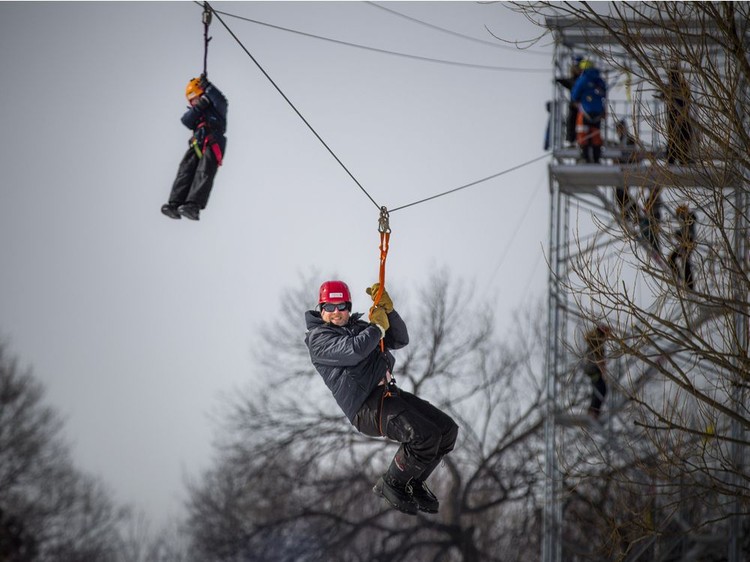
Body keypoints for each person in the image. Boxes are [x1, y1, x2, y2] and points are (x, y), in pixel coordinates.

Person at [304, 280, 459, 515]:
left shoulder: (358, 328)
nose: (337, 313)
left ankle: (413, 481)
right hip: (366, 407)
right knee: (424, 436)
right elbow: (355, 350)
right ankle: (392, 482)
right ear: (321, 309)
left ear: (348, 306)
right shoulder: (319, 339)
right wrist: (376, 327)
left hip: (387, 394)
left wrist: (389, 313)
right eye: (330, 307)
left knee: (446, 430)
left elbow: (399, 340)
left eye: (342, 306)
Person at [161, 75, 228, 221]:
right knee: (185, 170)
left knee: (204, 172)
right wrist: (199, 107)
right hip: (197, 143)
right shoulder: (195, 113)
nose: (193, 102)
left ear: (203, 95)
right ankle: (175, 203)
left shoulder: (217, 110)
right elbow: (186, 121)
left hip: (213, 141)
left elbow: (221, 100)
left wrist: (208, 87)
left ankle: (193, 205)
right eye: (191, 100)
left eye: (195, 98)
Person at [571, 59, 607, 163]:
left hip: (585, 112)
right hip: (598, 113)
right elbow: (604, 92)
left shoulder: (583, 79)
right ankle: (596, 157)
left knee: (583, 134)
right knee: (596, 134)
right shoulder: (599, 79)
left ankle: (585, 156)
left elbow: (574, 95)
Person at [658, 64, 693, 165]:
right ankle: (672, 159)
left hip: (682, 117)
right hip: (673, 117)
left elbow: (687, 101)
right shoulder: (670, 87)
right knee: (674, 139)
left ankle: (682, 159)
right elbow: (662, 96)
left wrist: (682, 115)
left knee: (683, 137)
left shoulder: (682, 86)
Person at [582, 324, 610, 420]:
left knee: (598, 389)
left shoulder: (595, 343)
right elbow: (598, 360)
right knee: (601, 389)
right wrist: (603, 370)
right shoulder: (597, 345)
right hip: (593, 370)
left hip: (591, 369)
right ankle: (593, 411)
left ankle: (593, 411)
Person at [556, 55, 584, 146]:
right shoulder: (578, 78)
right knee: (572, 121)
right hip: (577, 105)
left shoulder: (580, 79)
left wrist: (560, 81)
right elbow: (569, 82)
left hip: (580, 106)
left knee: (576, 122)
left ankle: (575, 140)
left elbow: (570, 83)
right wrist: (560, 80)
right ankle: (572, 140)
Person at [668, 205, 697, 290]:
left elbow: (687, 231)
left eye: (680, 214)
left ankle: (688, 284)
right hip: (686, 243)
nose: (680, 217)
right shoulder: (687, 220)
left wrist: (677, 234)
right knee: (680, 260)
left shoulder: (690, 218)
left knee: (683, 261)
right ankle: (682, 279)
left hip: (688, 242)